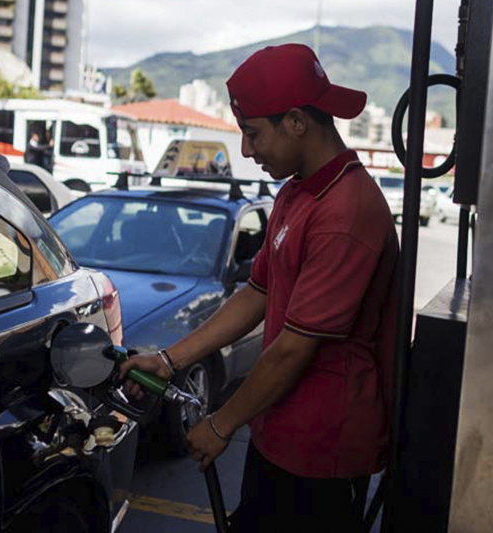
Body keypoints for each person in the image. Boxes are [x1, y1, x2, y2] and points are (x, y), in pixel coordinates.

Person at [119, 43, 399, 532]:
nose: (247, 151)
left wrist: (221, 423)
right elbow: (257, 293)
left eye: (252, 133)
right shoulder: (297, 191)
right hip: (276, 428)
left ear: (296, 122)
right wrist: (169, 360)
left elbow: (293, 348)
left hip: (322, 450)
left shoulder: (347, 211)